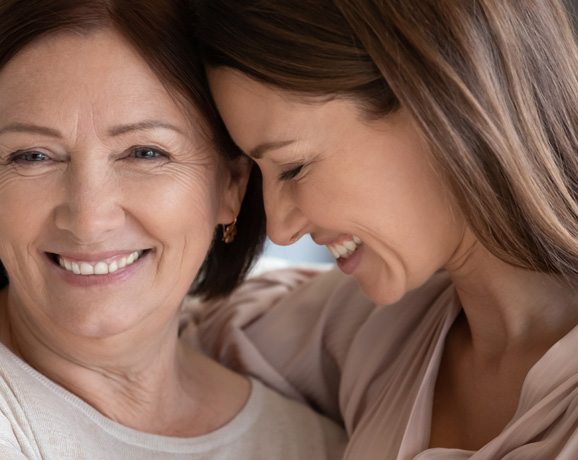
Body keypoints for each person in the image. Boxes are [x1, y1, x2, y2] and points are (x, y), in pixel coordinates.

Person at [0, 0, 348, 458]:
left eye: (145, 153)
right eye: (33, 156)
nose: (89, 221)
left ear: (231, 185)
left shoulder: (317, 441)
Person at [191, 0, 578, 458]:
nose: (278, 230)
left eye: (293, 168)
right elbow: (171, 334)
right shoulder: (381, 329)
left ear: (438, 98)